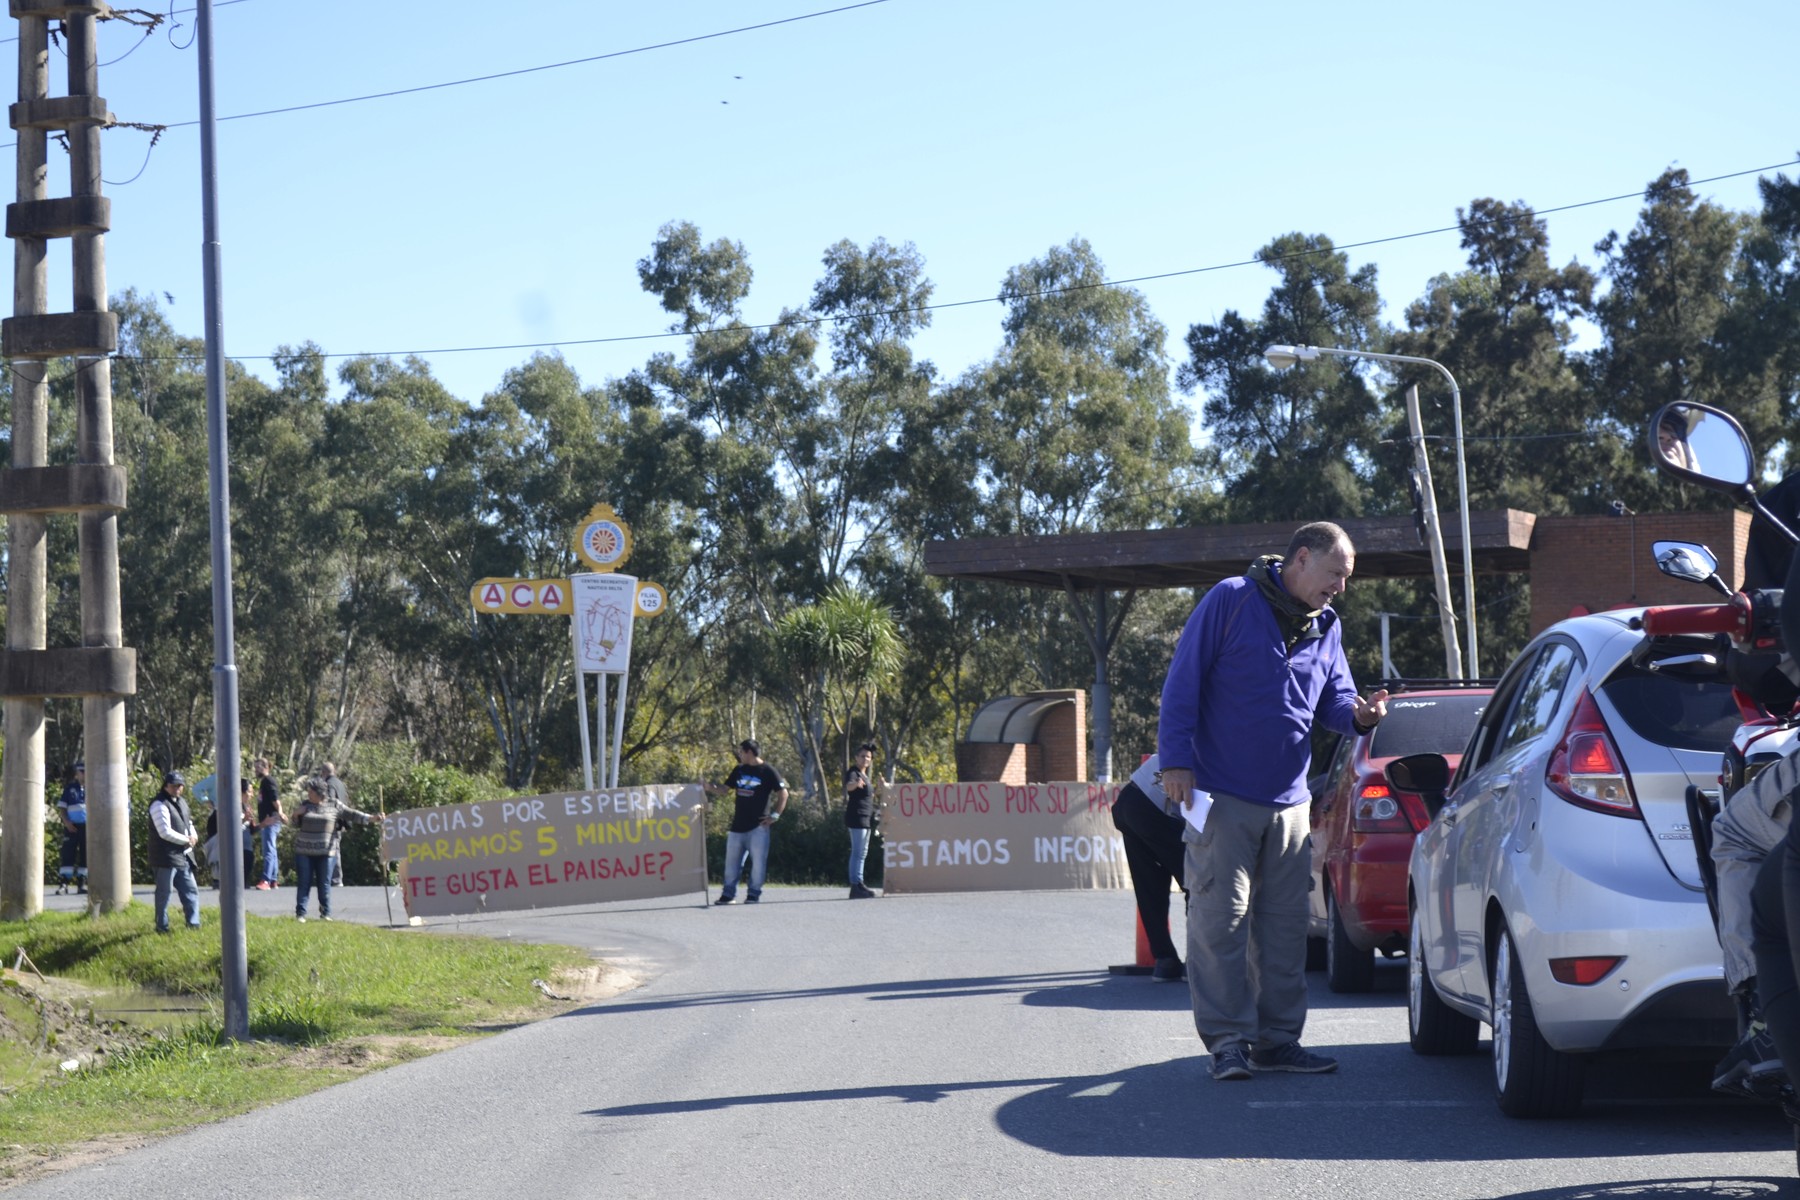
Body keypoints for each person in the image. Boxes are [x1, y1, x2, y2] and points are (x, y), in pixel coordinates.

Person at [1158, 521, 1388, 1082]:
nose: (1340, 587)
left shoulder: (1326, 625)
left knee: (1284, 928)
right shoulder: (1230, 600)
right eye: (1335, 574)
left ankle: (1278, 1041)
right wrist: (1176, 762)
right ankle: (1228, 1042)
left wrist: (1358, 717)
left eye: (1346, 578)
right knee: (1220, 923)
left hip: (1290, 804)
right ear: (1301, 559)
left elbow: (1333, 700)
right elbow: (1182, 681)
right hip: (1221, 796)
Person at [1111, 754, 1188, 981]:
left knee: (1149, 887)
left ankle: (1164, 962)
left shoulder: (1183, 734)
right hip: (1153, 809)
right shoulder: (1223, 747)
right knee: (1198, 884)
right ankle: (1197, 962)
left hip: (1129, 801)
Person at [701, 739, 787, 905]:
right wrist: (709, 787)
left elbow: (783, 794)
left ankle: (753, 894)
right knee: (731, 864)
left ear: (749, 752)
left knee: (758, 864)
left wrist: (775, 816)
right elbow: (725, 789)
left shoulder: (768, 771)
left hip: (759, 828)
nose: (739, 755)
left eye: (741, 752)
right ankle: (728, 895)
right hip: (737, 826)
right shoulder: (739, 770)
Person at [291, 775, 376, 922]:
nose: (308, 795)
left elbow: (352, 814)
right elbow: (294, 824)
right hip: (304, 851)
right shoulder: (305, 805)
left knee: (324, 883)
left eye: (311, 792)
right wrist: (295, 814)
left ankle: (326, 913)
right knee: (304, 882)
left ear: (319, 793)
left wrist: (371, 818)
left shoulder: (334, 805)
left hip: (326, 852)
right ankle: (300, 913)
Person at [147, 771, 201, 932]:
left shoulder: (182, 802)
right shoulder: (158, 804)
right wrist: (187, 840)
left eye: (180, 785)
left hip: (182, 855)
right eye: (173, 785)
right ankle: (161, 927)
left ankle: (193, 924)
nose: (177, 788)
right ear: (166, 786)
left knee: (190, 890)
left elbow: (188, 823)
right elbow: (164, 832)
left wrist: (193, 835)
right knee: (164, 894)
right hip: (164, 857)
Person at [844, 743, 879, 899]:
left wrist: (879, 787)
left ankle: (860, 883)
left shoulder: (865, 775)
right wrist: (855, 784)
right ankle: (855, 885)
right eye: (863, 756)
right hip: (856, 816)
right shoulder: (854, 772)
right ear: (856, 757)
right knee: (857, 852)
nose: (865, 759)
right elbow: (849, 786)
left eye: (868, 757)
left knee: (862, 853)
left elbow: (869, 795)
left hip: (866, 817)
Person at [54, 761, 87, 895]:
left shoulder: (93, 788)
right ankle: (64, 883)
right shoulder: (70, 788)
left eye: (86, 772)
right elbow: (62, 807)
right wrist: (67, 822)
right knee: (68, 854)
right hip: (71, 826)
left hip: (87, 827)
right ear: (77, 774)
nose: (84, 775)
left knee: (85, 855)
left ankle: (82, 883)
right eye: (82, 772)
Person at [254, 757, 285, 890]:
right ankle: (273, 879)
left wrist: (280, 812)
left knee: (269, 850)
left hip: (270, 820)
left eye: (258, 767)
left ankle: (266, 880)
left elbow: (275, 799)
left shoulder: (268, 781)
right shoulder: (264, 782)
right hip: (267, 820)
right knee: (272, 850)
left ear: (266, 767)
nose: (256, 770)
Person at [320, 761, 348, 886]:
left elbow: (330, 802)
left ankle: (336, 879)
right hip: (341, 821)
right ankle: (334, 878)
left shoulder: (329, 784)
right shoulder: (340, 784)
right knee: (335, 848)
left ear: (323, 772)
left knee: (334, 850)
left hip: (333, 823)